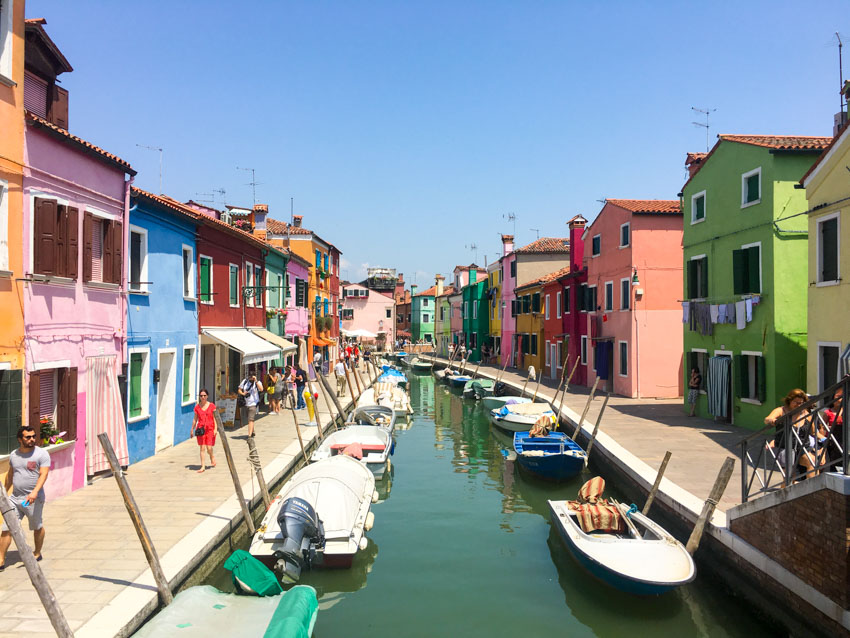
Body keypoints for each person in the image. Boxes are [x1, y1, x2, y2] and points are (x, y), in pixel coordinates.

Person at [0, 425, 50, 570]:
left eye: (33, 436)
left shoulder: (41, 454)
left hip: (33, 499)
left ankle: (37, 552)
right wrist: (4, 492)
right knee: (7, 527)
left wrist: (35, 492)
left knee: (37, 526)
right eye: (28, 437)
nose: (32, 439)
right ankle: (1, 559)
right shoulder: (14, 455)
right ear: (20, 439)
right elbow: (10, 474)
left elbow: (44, 474)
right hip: (15, 498)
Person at [765, 389, 821, 479]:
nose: (799, 405)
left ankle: (812, 491)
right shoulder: (781, 410)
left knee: (812, 463)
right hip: (785, 447)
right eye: (796, 402)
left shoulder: (807, 414)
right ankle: (785, 492)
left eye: (801, 403)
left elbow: (814, 432)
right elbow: (768, 419)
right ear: (789, 401)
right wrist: (772, 420)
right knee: (789, 476)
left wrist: (825, 439)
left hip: (802, 447)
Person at [191, 389, 217, 472]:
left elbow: (215, 418)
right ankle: (202, 466)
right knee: (202, 448)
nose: (203, 397)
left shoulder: (212, 406)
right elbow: (195, 419)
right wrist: (192, 429)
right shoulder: (197, 407)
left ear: (207, 396)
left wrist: (215, 429)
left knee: (209, 447)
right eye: (201, 396)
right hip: (201, 429)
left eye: (204, 395)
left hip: (210, 428)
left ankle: (212, 456)